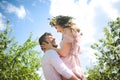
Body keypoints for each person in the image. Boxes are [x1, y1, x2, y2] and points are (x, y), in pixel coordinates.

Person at [42, 15, 85, 80]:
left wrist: (51, 47)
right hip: (74, 65)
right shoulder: (70, 31)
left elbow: (64, 53)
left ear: (59, 24)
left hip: (70, 66)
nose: (56, 30)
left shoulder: (67, 31)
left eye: (56, 27)